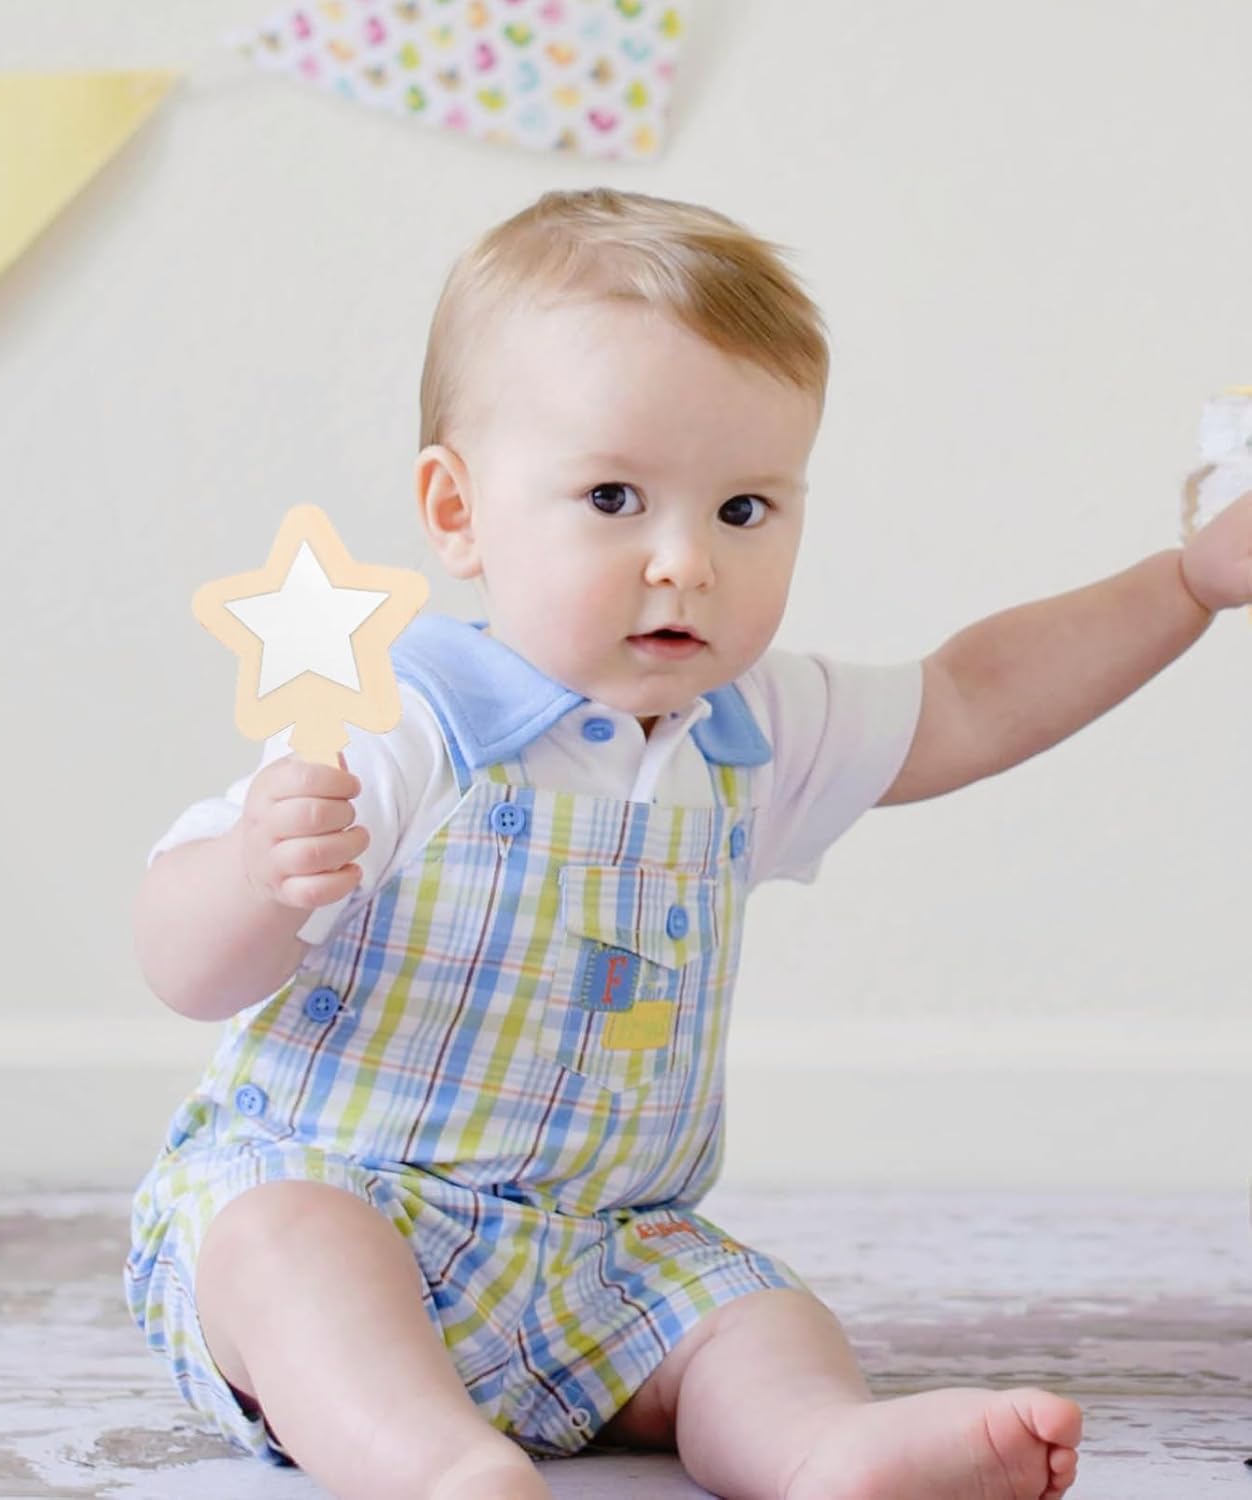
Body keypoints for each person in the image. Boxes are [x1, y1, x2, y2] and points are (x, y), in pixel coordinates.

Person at [123, 188, 1252, 1500]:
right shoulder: (402, 721)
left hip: (602, 1255)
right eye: (614, 497)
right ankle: (434, 1464)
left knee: (751, 1318)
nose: (686, 562)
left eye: (744, 510)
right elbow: (182, 967)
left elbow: (972, 698)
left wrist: (1186, 584)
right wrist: (255, 881)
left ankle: (821, 1448)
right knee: (290, 1251)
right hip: (352, 1197)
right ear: (457, 509)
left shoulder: (747, 728)